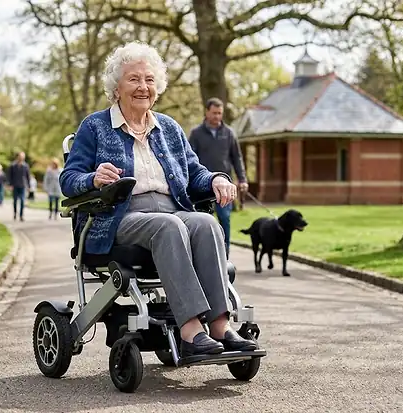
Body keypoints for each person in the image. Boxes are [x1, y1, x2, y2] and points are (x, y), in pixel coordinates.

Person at [59, 41, 257, 358]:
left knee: (206, 223)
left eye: (149, 80)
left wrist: (218, 178)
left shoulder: (168, 127)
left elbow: (194, 173)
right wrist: (93, 178)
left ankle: (220, 327)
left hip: (172, 211)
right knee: (168, 226)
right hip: (119, 218)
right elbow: (68, 180)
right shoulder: (95, 127)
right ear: (116, 87)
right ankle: (191, 332)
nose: (143, 87)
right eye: (134, 79)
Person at [189, 97, 248, 258]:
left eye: (219, 113)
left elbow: (237, 158)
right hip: (202, 187)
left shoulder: (229, 133)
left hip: (225, 186)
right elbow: (188, 160)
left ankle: (224, 256)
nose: (217, 116)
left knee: (225, 219)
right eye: (214, 113)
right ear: (206, 112)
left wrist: (242, 179)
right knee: (204, 222)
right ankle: (203, 256)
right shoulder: (196, 134)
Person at [7, 151, 31, 221]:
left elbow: (28, 176)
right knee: (15, 201)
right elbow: (10, 176)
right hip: (15, 185)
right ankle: (15, 213)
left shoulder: (26, 166)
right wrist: (10, 185)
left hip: (23, 185)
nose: (21, 158)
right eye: (20, 157)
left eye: (23, 157)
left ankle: (21, 216)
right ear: (18, 157)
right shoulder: (13, 165)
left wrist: (29, 186)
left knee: (22, 201)